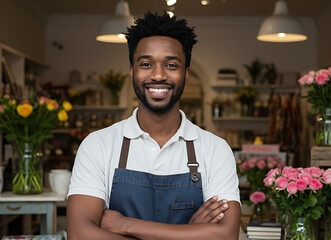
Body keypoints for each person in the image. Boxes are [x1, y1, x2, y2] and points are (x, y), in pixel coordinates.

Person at [67, 12, 241, 240]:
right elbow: (80, 235)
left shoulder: (215, 149)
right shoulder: (98, 145)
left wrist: (125, 224)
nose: (158, 75)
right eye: (146, 64)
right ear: (132, 72)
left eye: (171, 65)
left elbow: (226, 236)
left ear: (186, 74)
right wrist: (190, 233)